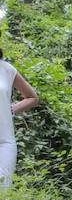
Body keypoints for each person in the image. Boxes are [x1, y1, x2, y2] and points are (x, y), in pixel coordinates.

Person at [0, 49, 39, 189]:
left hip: (4, 144)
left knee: (3, 195)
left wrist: (11, 109)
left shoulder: (6, 69)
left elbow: (32, 97)